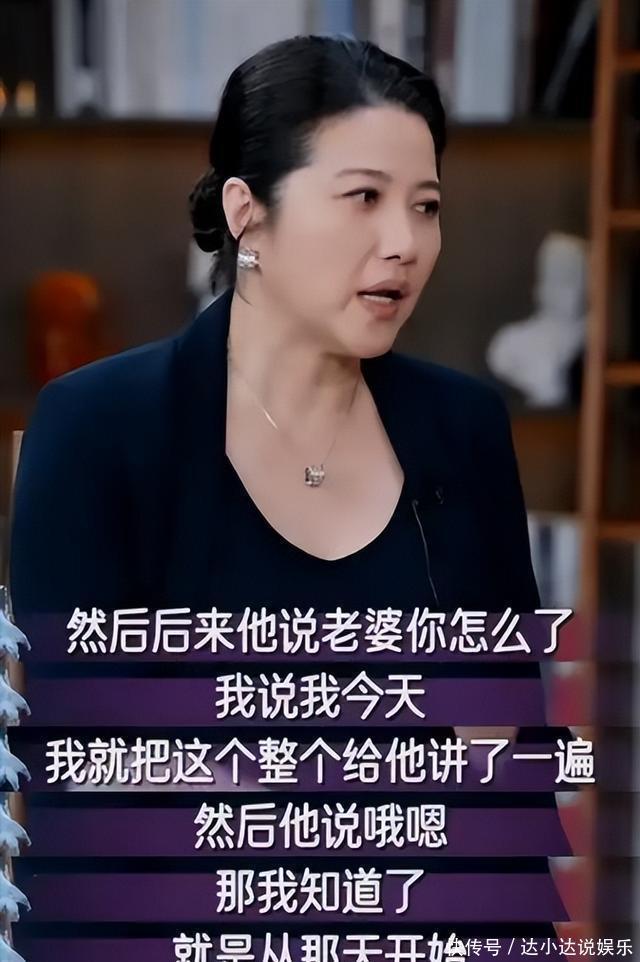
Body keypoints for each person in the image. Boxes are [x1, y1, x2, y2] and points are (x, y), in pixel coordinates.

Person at [9, 35, 568, 935]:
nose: (405, 243)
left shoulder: (463, 429)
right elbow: (85, 765)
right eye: (363, 198)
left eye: (426, 207)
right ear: (248, 214)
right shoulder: (99, 427)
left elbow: (512, 768)